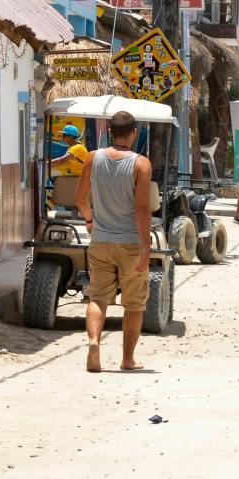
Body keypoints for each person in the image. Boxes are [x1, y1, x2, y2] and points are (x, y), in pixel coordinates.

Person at [75, 110, 154, 373]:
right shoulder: (141, 164)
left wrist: (89, 221)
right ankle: (127, 359)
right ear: (133, 133)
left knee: (97, 297)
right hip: (130, 243)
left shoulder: (91, 158)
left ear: (110, 132)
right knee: (133, 304)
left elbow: (81, 200)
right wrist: (145, 245)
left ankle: (94, 342)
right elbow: (142, 209)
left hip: (101, 242)